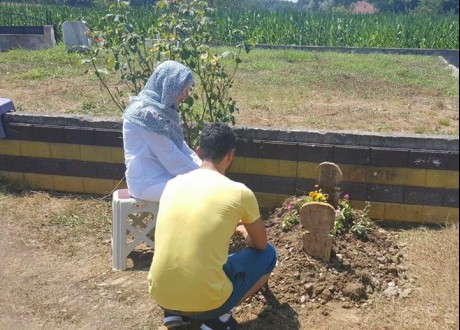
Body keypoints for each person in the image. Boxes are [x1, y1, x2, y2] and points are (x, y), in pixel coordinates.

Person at [147, 122, 277, 330]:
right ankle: (219, 316)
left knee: (208, 259)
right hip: (208, 300)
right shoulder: (239, 192)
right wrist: (243, 231)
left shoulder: (172, 185)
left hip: (161, 294)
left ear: (198, 152)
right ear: (230, 155)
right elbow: (260, 244)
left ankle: (175, 314)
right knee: (269, 254)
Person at [122, 60, 201, 202]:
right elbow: (170, 156)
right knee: (201, 194)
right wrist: (205, 177)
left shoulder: (161, 111)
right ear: (169, 86)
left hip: (165, 176)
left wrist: (206, 169)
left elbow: (181, 147)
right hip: (147, 183)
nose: (186, 95)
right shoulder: (144, 114)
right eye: (183, 89)